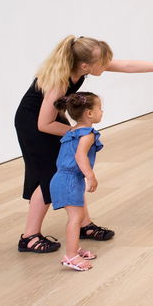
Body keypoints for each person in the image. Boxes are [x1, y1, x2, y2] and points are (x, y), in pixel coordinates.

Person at [14, 35, 153, 253]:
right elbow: (44, 123)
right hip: (34, 124)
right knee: (49, 175)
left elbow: (126, 65)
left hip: (51, 119)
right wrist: (78, 132)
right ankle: (29, 236)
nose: (106, 66)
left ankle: (83, 225)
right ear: (86, 65)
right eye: (103, 63)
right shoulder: (60, 80)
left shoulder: (80, 65)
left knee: (73, 169)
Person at [50, 92, 104, 272]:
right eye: (99, 108)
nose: (102, 111)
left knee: (77, 217)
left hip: (61, 177)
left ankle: (75, 248)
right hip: (70, 179)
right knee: (76, 219)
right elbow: (80, 155)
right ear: (89, 113)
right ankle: (71, 255)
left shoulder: (72, 131)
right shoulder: (87, 134)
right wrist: (90, 175)